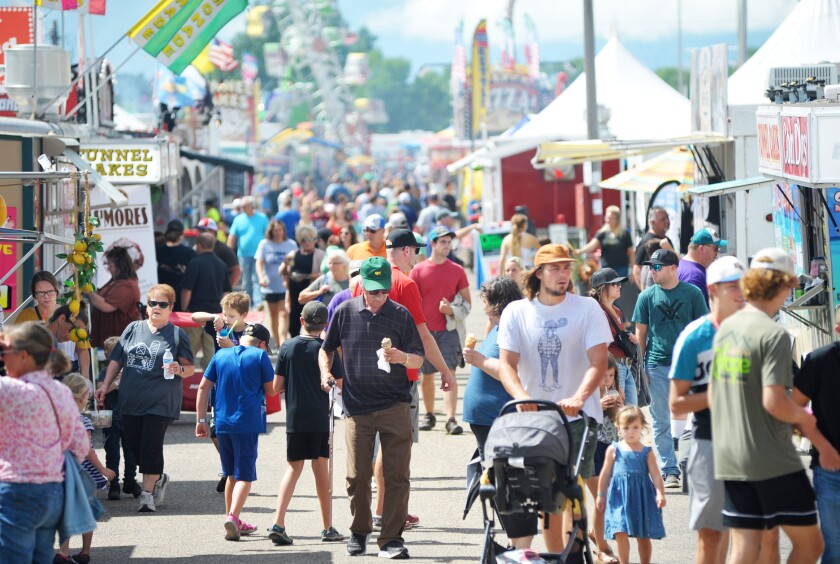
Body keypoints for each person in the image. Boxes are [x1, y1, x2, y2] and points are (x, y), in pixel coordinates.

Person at [710, 248, 825, 564]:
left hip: (731, 455)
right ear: (782, 285)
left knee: (746, 548)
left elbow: (721, 394)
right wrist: (807, 420)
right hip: (771, 458)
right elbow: (774, 401)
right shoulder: (774, 335)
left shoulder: (726, 330)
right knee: (811, 545)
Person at [498, 243, 613, 552]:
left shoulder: (587, 308)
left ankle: (574, 554)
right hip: (536, 421)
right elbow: (507, 364)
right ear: (538, 273)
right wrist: (521, 396)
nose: (564, 274)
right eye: (555, 268)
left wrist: (579, 396)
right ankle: (553, 557)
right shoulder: (517, 312)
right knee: (549, 498)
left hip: (578, 418)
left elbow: (598, 361)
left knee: (572, 491)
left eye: (567, 268)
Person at [319, 256, 425, 559]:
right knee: (356, 476)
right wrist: (326, 373)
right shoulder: (344, 312)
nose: (379, 297)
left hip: (395, 406)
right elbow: (325, 350)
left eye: (384, 291)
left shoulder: (400, 315)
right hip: (356, 406)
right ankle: (359, 530)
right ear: (361, 285)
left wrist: (402, 358)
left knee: (397, 475)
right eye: (374, 290)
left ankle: (391, 538)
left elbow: (419, 358)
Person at [669, 256, 750, 564]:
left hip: (748, 442)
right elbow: (676, 405)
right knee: (711, 532)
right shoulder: (694, 336)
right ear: (713, 290)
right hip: (708, 439)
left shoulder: (752, 332)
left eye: (743, 286)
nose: (741, 294)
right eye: (733, 288)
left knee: (742, 529)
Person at [95, 284, 195, 513]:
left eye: (163, 304)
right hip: (131, 400)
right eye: (153, 303)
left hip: (161, 400)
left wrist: (178, 368)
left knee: (151, 444)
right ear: (146, 307)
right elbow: (116, 360)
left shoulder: (177, 334)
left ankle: (146, 495)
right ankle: (157, 475)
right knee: (134, 445)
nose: (157, 308)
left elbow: (190, 368)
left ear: (171, 308)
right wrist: (106, 385)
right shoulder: (132, 328)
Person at [0, 322, 88, 562]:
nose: (3, 360)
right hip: (53, 491)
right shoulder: (60, 391)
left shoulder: (10, 390)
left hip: (17, 490)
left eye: (4, 353)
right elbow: (80, 445)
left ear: (24, 355)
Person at [462, 275, 537, 549]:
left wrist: (479, 360)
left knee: (502, 482)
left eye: (485, 301)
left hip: (499, 419)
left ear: (497, 302)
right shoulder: (499, 324)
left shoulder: (512, 325)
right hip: (487, 419)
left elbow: (510, 372)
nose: (482, 306)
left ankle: (517, 542)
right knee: (496, 480)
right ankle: (515, 540)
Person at [269, 301, 345, 546]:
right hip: (321, 418)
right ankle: (326, 526)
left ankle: (278, 523)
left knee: (293, 468)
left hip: (295, 417)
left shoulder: (288, 346)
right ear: (325, 324)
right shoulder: (328, 350)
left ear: (301, 320)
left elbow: (275, 388)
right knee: (322, 471)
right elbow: (341, 384)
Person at [632, 249, 708, 488]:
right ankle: (670, 469)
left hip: (689, 366)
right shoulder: (646, 297)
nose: (651, 271)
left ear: (673, 268)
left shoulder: (693, 293)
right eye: (650, 267)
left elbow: (701, 329)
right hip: (657, 364)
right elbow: (640, 333)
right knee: (661, 419)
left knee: (696, 417)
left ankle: (696, 464)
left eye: (657, 267)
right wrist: (642, 365)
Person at [195, 323, 276, 541]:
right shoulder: (260, 356)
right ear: (262, 343)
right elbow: (271, 390)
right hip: (247, 422)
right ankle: (232, 517)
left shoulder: (221, 355)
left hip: (222, 422)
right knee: (245, 476)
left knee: (230, 473)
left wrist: (201, 419)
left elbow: (203, 387)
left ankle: (233, 521)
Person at [411, 226, 471, 435]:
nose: (447, 246)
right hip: (424, 332)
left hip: (448, 330)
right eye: (442, 242)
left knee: (449, 372)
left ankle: (452, 419)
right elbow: (411, 300)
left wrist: (450, 309)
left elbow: (468, 303)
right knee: (426, 376)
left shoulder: (457, 270)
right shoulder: (418, 270)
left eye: (449, 242)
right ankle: (429, 415)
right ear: (433, 244)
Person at [793, 307, 840, 563]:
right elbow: (793, 409)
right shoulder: (820, 360)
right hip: (831, 470)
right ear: (837, 330)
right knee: (835, 549)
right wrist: (822, 445)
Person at [55, 373, 115, 564]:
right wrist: (102, 469)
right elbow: (86, 448)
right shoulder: (83, 420)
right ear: (82, 397)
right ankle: (85, 552)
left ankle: (63, 552)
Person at [597, 406, 666, 564]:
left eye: (635, 427)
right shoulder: (614, 450)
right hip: (619, 498)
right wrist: (600, 495)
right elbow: (605, 473)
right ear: (618, 428)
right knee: (620, 531)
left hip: (642, 497)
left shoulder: (646, 452)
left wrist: (660, 493)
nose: (631, 432)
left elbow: (655, 474)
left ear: (642, 426)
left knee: (643, 535)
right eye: (626, 428)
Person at [586, 356, 624, 564]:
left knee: (606, 499)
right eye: (603, 376)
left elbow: (619, 424)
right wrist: (597, 405)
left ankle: (595, 533)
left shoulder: (614, 393)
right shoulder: (587, 395)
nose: (607, 381)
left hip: (610, 449)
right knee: (602, 499)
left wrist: (619, 409)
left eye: (611, 376)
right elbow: (579, 419)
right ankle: (602, 549)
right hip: (591, 449)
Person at [96, 336, 140, 501]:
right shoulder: (104, 372)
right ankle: (113, 485)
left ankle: (130, 481)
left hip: (129, 418)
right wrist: (116, 382)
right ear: (107, 355)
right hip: (111, 419)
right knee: (112, 453)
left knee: (131, 453)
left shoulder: (131, 370)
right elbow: (101, 389)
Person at [181, 232, 230, 369]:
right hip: (215, 315)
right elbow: (226, 291)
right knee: (211, 351)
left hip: (195, 314)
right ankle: (209, 380)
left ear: (200, 245)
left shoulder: (194, 263)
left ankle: (187, 381)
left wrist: (184, 309)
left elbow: (187, 291)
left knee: (188, 350)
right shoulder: (222, 265)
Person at [589, 267, 638, 405]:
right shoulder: (597, 311)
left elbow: (616, 338)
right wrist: (611, 380)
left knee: (631, 413)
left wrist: (629, 337)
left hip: (625, 366)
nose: (620, 286)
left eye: (620, 283)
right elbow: (599, 348)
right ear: (602, 288)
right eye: (615, 284)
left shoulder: (617, 310)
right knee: (619, 415)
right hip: (612, 368)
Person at [87, 246, 141, 349]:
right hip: (111, 337)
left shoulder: (127, 285)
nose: (108, 268)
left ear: (119, 265)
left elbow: (106, 306)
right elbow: (100, 294)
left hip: (120, 338)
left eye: (110, 265)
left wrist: (88, 291)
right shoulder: (116, 280)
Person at [256, 219, 298, 345]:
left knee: (284, 313)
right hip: (269, 285)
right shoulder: (265, 244)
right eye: (275, 230)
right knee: (273, 315)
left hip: (285, 285)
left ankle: (284, 342)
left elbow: (294, 263)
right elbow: (259, 262)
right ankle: (278, 342)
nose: (278, 232)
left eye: (280, 230)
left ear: (284, 231)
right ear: (271, 231)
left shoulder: (290, 244)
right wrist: (261, 278)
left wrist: (288, 272)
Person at [283, 225, 325, 338]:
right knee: (294, 323)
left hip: (311, 292)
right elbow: (286, 272)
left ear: (314, 240)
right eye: (303, 240)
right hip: (294, 292)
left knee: (312, 320)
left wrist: (307, 276)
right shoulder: (293, 254)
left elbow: (324, 274)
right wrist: (285, 263)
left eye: (310, 239)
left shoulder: (320, 254)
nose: (307, 243)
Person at [227, 196, 270, 307]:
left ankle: (258, 303)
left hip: (259, 255)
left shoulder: (262, 218)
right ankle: (248, 303)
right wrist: (228, 252)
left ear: (251, 206)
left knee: (257, 279)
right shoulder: (238, 219)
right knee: (246, 280)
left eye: (244, 206)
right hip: (243, 254)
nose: (242, 208)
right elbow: (232, 236)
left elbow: (267, 235)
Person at [573, 206, 634, 277]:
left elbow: (631, 253)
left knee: (618, 287)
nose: (609, 220)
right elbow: (592, 245)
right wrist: (580, 251)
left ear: (617, 219)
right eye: (607, 218)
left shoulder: (624, 234)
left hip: (621, 268)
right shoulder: (602, 233)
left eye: (612, 218)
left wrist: (633, 269)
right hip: (606, 268)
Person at [155, 219, 196, 311]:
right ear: (181, 235)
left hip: (161, 298)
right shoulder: (189, 253)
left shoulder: (158, 251)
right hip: (182, 299)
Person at [677, 228, 727, 304]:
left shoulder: (683, 265)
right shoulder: (694, 276)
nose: (717, 253)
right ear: (701, 249)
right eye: (715, 248)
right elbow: (696, 314)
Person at [632, 207, 676, 288]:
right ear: (652, 222)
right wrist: (645, 293)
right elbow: (637, 270)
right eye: (663, 219)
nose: (667, 221)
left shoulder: (667, 240)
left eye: (667, 217)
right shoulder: (645, 241)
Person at [196, 217, 241, 289]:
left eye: (203, 230)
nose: (200, 233)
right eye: (199, 230)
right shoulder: (196, 248)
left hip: (217, 294)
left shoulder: (223, 249)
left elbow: (236, 271)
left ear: (213, 232)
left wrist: (227, 291)